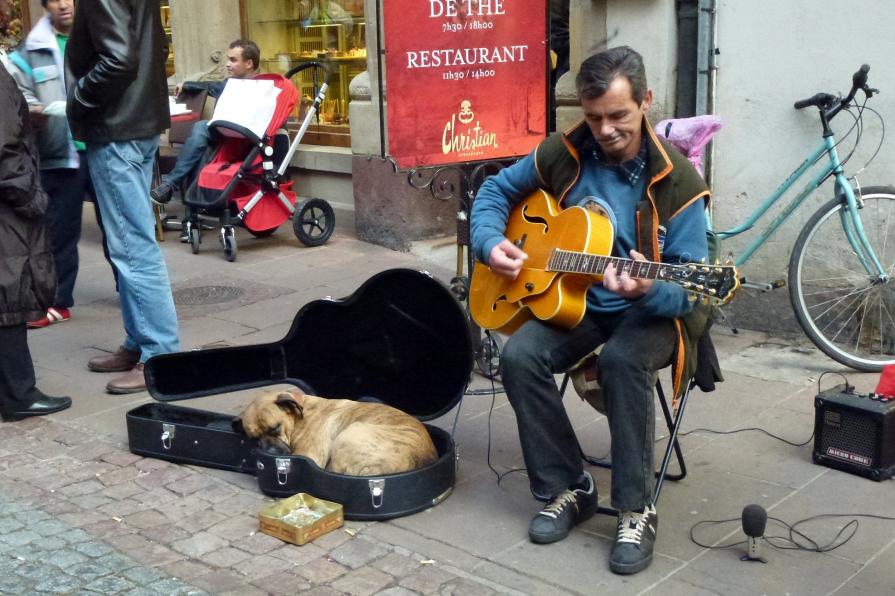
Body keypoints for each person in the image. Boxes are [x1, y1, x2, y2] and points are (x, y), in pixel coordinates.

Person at [470, 46, 711, 575]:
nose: (604, 129)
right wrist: (490, 243)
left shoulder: (681, 183)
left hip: (651, 313)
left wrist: (648, 288)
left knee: (625, 361)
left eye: (618, 115)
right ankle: (568, 488)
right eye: (594, 116)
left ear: (646, 101)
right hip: (578, 302)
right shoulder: (564, 151)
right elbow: (494, 191)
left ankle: (634, 507)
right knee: (520, 356)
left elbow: (691, 291)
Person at [66, 0, 179, 394]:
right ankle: (139, 342)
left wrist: (78, 97)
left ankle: (157, 355)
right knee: (128, 246)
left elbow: (118, 59)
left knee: (132, 248)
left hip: (118, 128)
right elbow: (156, 47)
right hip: (136, 122)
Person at [0, 0, 72, 421]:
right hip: (8, 201)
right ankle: (18, 395)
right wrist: (31, 198)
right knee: (8, 295)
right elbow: (5, 147)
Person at [7, 0, 93, 329]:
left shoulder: (95, 36)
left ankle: (132, 292)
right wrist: (41, 110)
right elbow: (18, 96)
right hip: (60, 154)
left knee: (120, 232)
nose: (64, 4)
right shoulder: (30, 50)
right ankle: (58, 300)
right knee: (61, 232)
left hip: (101, 146)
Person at [150, 39, 261, 205]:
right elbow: (209, 86)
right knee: (200, 142)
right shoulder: (227, 84)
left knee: (201, 128)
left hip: (247, 139)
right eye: (227, 59)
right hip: (223, 135)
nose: (227, 64)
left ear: (249, 63)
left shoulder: (264, 87)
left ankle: (171, 183)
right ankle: (175, 190)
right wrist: (186, 85)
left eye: (233, 60)